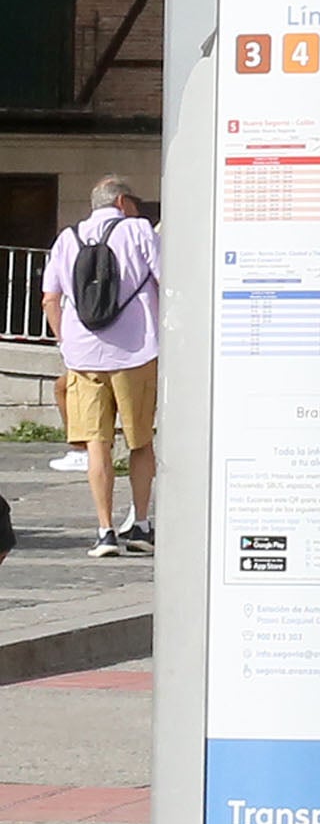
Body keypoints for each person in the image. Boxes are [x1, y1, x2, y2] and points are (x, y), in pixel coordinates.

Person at [41, 176, 159, 556]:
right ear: (123, 201)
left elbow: (50, 299)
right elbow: (167, 280)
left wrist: (66, 341)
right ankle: (140, 525)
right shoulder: (138, 230)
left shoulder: (67, 238)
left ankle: (105, 531)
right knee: (140, 442)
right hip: (135, 352)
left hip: (82, 357)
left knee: (97, 444)